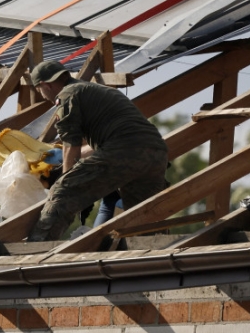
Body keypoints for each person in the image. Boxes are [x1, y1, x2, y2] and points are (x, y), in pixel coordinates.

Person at [27, 60, 168, 241]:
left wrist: (65, 176)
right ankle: (153, 253)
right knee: (142, 213)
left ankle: (36, 247)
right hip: (155, 151)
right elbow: (104, 145)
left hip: (124, 149)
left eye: (39, 89)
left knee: (64, 189)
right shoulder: (93, 91)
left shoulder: (68, 94)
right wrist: (63, 159)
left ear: (45, 85)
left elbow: (72, 143)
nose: (42, 94)